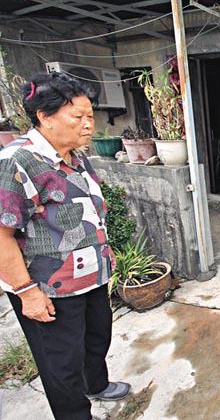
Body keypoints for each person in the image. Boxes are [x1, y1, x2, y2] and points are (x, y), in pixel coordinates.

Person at [0, 72, 130, 420]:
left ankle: (96, 384)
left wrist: (106, 254)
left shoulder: (75, 156)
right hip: (49, 288)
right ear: (45, 116)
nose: (89, 124)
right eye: (78, 116)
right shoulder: (16, 161)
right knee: (62, 364)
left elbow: (88, 211)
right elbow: (1, 235)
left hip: (90, 277)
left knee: (96, 339)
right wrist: (26, 292)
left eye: (91, 116)